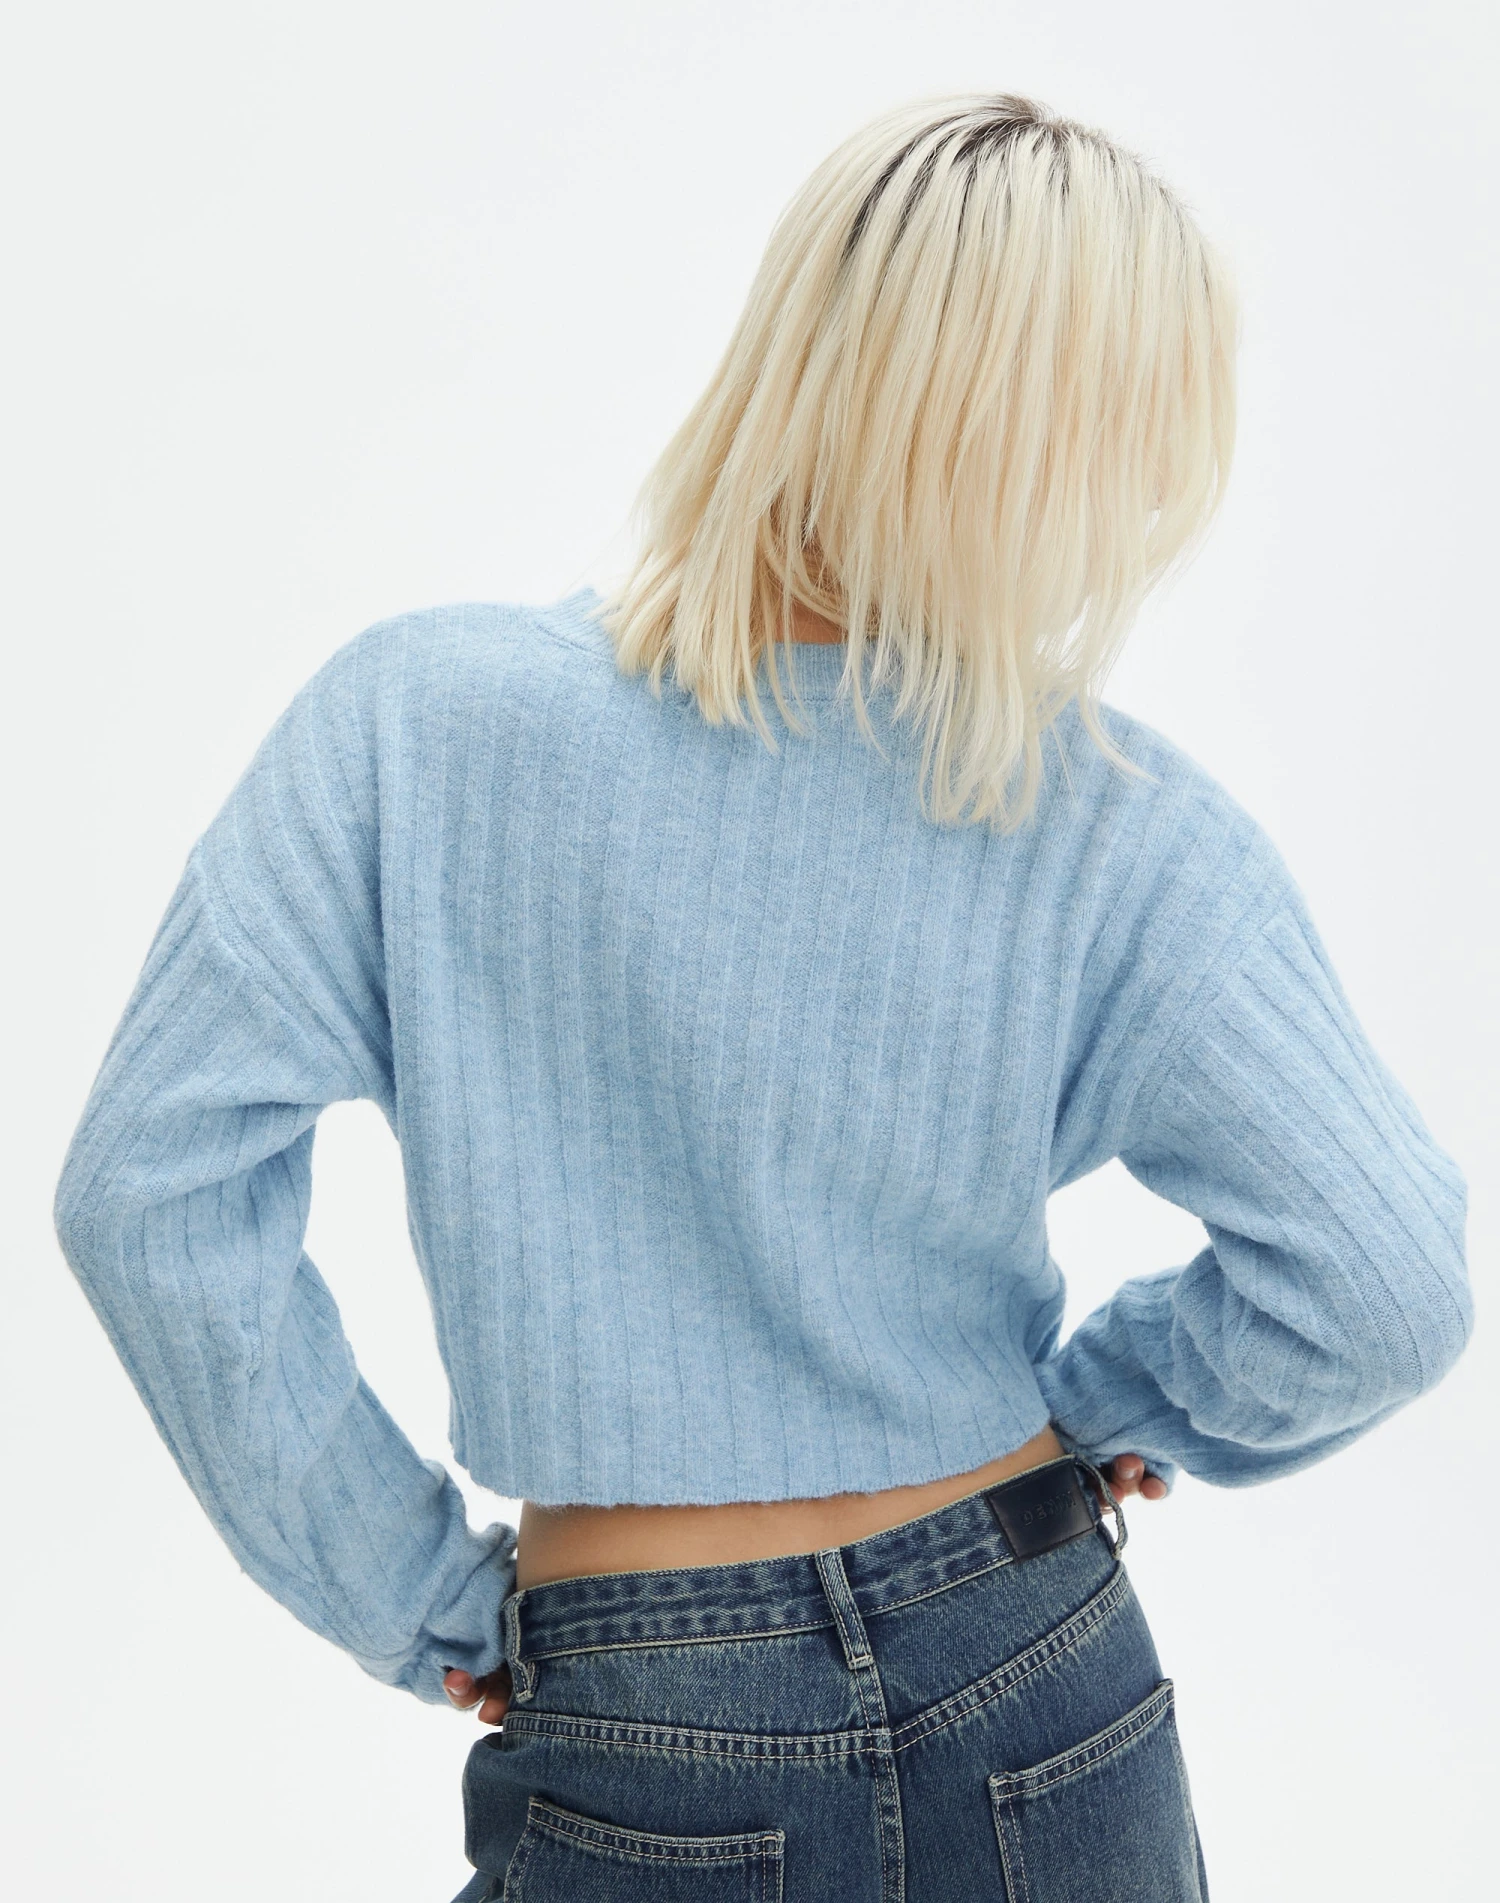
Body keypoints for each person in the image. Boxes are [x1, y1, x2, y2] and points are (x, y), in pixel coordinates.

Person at [54, 92, 1472, 1902]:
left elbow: (150, 1190)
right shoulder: (1115, 823)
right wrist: (1108, 1406)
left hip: (642, 1700)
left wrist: (413, 1590)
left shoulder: (419, 731)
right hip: (1038, 1655)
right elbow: (1382, 1280)